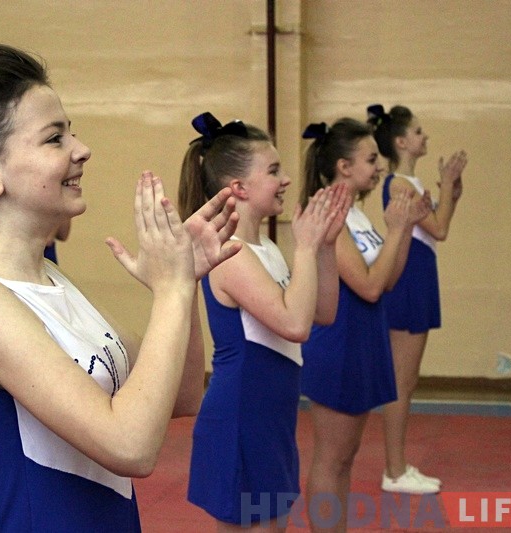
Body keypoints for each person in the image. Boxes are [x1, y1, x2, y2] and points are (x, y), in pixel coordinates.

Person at [0, 44, 240, 532]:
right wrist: (171, 290)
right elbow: (130, 447)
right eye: (55, 139)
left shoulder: (51, 280)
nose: (81, 149)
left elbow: (180, 396)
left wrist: (182, 283)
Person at [177, 112, 348, 531]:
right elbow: (294, 325)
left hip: (271, 415)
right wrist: (305, 248)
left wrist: (324, 245)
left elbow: (321, 312)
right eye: (273, 170)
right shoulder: (230, 252)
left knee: (274, 525)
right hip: (241, 415)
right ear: (239, 188)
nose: (286, 179)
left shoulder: (265, 246)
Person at [298, 118, 428, 532]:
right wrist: (394, 230)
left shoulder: (354, 212)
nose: (379, 167)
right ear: (343, 166)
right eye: (371, 159)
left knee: (347, 455)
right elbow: (369, 287)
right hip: (339, 341)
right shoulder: (328, 212)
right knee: (331, 456)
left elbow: (388, 280)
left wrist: (403, 229)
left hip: (364, 340)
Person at [367, 104, 467, 494]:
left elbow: (439, 225)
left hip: (420, 274)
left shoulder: (411, 182)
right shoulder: (400, 184)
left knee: (407, 379)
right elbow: (438, 229)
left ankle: (398, 465)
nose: (425, 137)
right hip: (408, 278)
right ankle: (394, 470)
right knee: (401, 381)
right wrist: (445, 185)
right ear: (401, 141)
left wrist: (450, 193)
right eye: (419, 131)